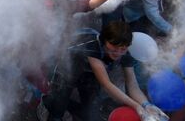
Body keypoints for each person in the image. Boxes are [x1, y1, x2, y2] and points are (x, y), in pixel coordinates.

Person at [38, 21, 166, 121]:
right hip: (67, 66)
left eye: (122, 49)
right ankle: (48, 102)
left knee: (91, 114)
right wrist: (136, 106)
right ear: (104, 41)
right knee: (57, 111)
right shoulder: (92, 45)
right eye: (113, 47)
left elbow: (132, 84)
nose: (118, 53)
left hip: (89, 72)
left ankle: (65, 104)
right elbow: (106, 84)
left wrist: (146, 105)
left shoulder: (128, 50)